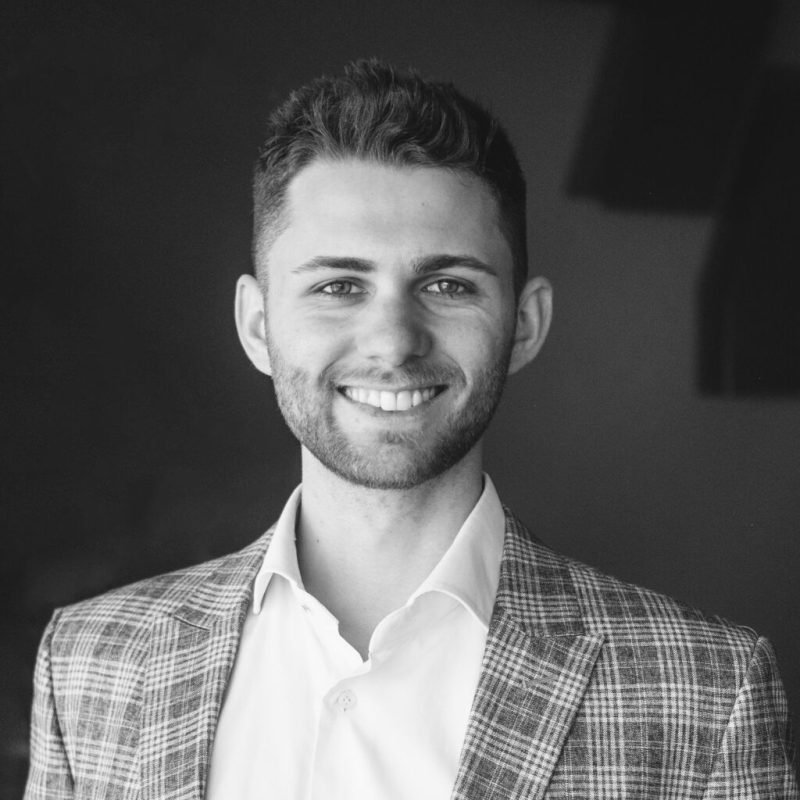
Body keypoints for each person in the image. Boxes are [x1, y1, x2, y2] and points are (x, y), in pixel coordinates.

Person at [25, 59, 797, 800]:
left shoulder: (708, 691)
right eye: (338, 285)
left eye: (447, 284)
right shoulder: (90, 662)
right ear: (258, 325)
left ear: (525, 324)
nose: (393, 341)